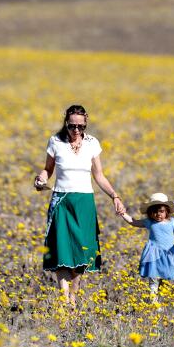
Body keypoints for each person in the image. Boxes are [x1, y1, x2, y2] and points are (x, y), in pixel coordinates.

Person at [34, 104, 127, 307]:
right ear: (66, 123)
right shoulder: (55, 142)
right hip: (62, 201)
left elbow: (99, 175)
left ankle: (73, 296)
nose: (76, 130)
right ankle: (64, 299)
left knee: (83, 253)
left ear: (85, 125)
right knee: (62, 250)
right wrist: (40, 179)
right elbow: (47, 170)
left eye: (81, 127)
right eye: (72, 126)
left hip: (85, 202)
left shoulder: (93, 143)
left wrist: (114, 196)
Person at [117, 192, 174, 299]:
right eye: (155, 212)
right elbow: (133, 222)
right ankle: (154, 301)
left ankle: (163, 299)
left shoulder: (173, 222)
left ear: (167, 211)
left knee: (167, 277)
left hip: (169, 254)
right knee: (154, 277)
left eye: (161, 211)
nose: (158, 214)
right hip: (154, 254)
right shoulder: (149, 222)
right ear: (150, 213)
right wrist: (123, 214)